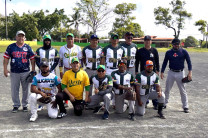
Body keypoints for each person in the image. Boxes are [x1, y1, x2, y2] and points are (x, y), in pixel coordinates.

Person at [3, 30, 35, 113]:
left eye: (22, 36)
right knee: (14, 89)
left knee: (26, 89)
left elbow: (32, 59)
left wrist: (33, 70)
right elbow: (6, 58)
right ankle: (16, 105)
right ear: (16, 37)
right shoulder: (11, 47)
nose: (21, 38)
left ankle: (25, 105)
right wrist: (5, 69)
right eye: (19, 36)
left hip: (25, 72)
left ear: (24, 38)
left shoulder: (28, 47)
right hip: (14, 72)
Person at [160, 38, 192, 113]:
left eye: (177, 44)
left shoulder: (183, 52)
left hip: (180, 73)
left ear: (179, 44)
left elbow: (189, 62)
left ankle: (185, 106)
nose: (176, 45)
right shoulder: (168, 52)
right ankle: (164, 103)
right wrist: (162, 72)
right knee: (167, 89)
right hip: (171, 72)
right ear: (172, 45)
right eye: (174, 44)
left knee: (182, 90)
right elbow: (165, 62)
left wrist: (190, 72)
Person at [100, 33, 126, 108]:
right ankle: (105, 103)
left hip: (118, 70)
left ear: (118, 40)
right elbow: (103, 59)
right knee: (106, 86)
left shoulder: (121, 49)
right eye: (113, 38)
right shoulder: (106, 48)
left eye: (116, 38)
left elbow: (123, 60)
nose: (115, 40)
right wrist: (102, 69)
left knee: (116, 86)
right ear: (111, 39)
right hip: (108, 69)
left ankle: (115, 103)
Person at [35, 34, 59, 111]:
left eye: (48, 40)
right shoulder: (39, 50)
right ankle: (41, 104)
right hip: (42, 71)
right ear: (44, 41)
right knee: (41, 85)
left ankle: (54, 101)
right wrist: (41, 68)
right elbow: (37, 60)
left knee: (53, 87)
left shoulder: (55, 50)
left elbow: (56, 61)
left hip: (52, 71)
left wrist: (51, 69)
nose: (47, 41)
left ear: (50, 41)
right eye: (46, 40)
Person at [135, 35, 160, 110]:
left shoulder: (154, 50)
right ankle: (145, 102)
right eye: (146, 40)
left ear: (151, 41)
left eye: (149, 40)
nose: (147, 42)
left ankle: (155, 103)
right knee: (144, 87)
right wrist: (136, 70)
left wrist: (157, 70)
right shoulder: (140, 51)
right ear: (144, 41)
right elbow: (137, 62)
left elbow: (157, 61)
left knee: (154, 87)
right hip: (143, 73)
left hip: (152, 72)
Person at [59, 33, 82, 107]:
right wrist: (60, 71)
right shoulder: (62, 48)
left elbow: (80, 60)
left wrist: (80, 70)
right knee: (65, 85)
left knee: (76, 84)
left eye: (71, 38)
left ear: (73, 39)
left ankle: (78, 99)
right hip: (66, 69)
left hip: (76, 70)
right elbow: (61, 61)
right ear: (66, 39)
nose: (70, 40)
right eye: (68, 38)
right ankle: (65, 102)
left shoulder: (78, 48)